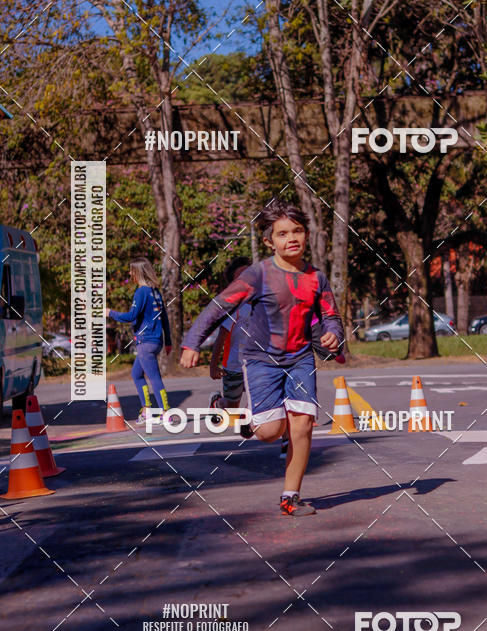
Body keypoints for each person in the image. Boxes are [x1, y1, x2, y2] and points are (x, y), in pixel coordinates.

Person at [180, 198, 343, 516]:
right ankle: (255, 415)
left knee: (303, 425)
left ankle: (290, 497)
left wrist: (333, 333)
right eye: (282, 234)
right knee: (270, 432)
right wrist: (191, 343)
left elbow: (331, 315)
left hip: (300, 358)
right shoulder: (258, 275)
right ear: (270, 241)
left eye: (297, 231)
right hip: (260, 360)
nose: (291, 238)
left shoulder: (316, 278)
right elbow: (218, 307)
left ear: (306, 235)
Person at [106, 257, 172, 424]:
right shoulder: (155, 292)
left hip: (146, 342)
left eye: (131, 270)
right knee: (136, 374)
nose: (129, 273)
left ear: (138, 272)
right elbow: (164, 318)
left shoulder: (141, 292)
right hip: (156, 341)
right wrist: (169, 341)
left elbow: (131, 316)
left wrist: (110, 313)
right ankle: (147, 409)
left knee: (154, 377)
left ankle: (166, 412)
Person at [208, 257, 253, 437]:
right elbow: (221, 338)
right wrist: (213, 366)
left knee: (257, 397)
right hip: (233, 365)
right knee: (231, 406)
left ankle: (247, 419)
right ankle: (217, 403)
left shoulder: (263, 303)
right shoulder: (233, 308)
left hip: (255, 364)